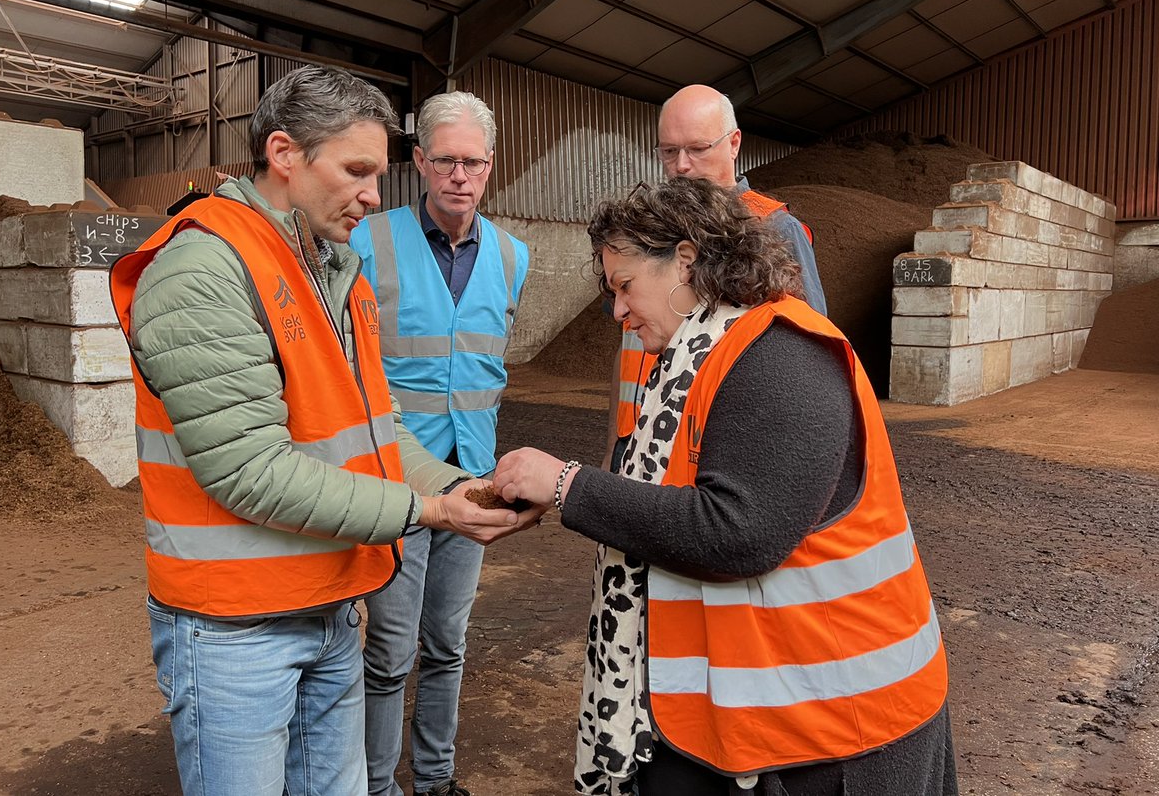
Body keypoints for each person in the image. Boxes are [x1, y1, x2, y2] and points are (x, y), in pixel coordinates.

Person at [109, 66, 541, 796]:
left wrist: (467, 487)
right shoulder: (203, 268)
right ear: (284, 153)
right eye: (357, 171)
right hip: (236, 627)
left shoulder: (333, 268)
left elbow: (379, 428)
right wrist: (427, 509)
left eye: (378, 174)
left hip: (328, 604)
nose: (374, 195)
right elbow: (248, 471)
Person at [495, 178, 957, 796]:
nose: (618, 312)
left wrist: (568, 486)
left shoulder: (780, 357)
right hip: (765, 715)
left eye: (625, 286)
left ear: (685, 261)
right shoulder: (702, 355)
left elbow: (739, 532)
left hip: (842, 730)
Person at [350, 91, 529, 796]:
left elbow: (488, 364)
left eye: (473, 163)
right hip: (395, 479)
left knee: (448, 644)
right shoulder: (367, 241)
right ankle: (375, 785)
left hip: (474, 479)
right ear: (420, 161)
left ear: (490, 166)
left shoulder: (512, 256)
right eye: (446, 160)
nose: (460, 175)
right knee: (390, 650)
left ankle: (435, 779)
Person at [603, 83, 827, 471]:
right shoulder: (652, 232)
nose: (681, 165)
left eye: (697, 148)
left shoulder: (774, 229)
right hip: (639, 444)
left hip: (713, 452)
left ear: (734, 143)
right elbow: (628, 350)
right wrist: (614, 449)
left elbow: (809, 361)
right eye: (669, 151)